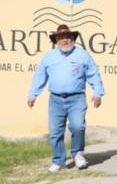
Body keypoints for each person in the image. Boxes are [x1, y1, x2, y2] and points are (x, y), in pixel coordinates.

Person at [27, 24, 104, 172]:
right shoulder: (49, 57)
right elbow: (40, 76)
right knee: (55, 132)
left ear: (73, 39)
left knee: (78, 126)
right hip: (55, 100)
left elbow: (93, 74)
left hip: (76, 98)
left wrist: (97, 93)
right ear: (56, 40)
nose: (65, 40)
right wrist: (33, 94)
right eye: (61, 37)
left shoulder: (82, 55)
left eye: (68, 37)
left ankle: (78, 154)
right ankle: (58, 161)